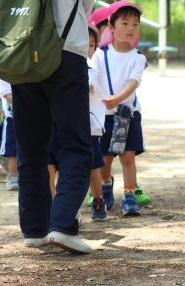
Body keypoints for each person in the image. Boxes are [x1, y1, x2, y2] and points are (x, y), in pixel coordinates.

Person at [10, 0, 102, 254]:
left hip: (24, 54)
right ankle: (63, 224)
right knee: (75, 143)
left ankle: (34, 228)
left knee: (31, 145)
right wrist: (68, 24)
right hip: (65, 52)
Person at [93, 0, 148, 217]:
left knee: (127, 157)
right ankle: (106, 186)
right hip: (104, 116)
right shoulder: (100, 54)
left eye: (135, 24)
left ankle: (129, 195)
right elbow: (93, 77)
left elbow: (133, 82)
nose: (130, 29)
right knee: (105, 158)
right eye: (124, 23)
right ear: (111, 27)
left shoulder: (138, 58)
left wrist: (118, 99)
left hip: (128, 115)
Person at [87, 23, 108, 221]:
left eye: (92, 45)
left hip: (89, 126)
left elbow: (89, 84)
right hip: (66, 125)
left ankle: (98, 198)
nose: (87, 48)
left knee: (93, 167)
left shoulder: (92, 64)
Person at [0, 80, 19, 191]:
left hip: (30, 117)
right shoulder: (4, 77)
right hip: (12, 117)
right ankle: (12, 175)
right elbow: (8, 96)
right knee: (13, 150)